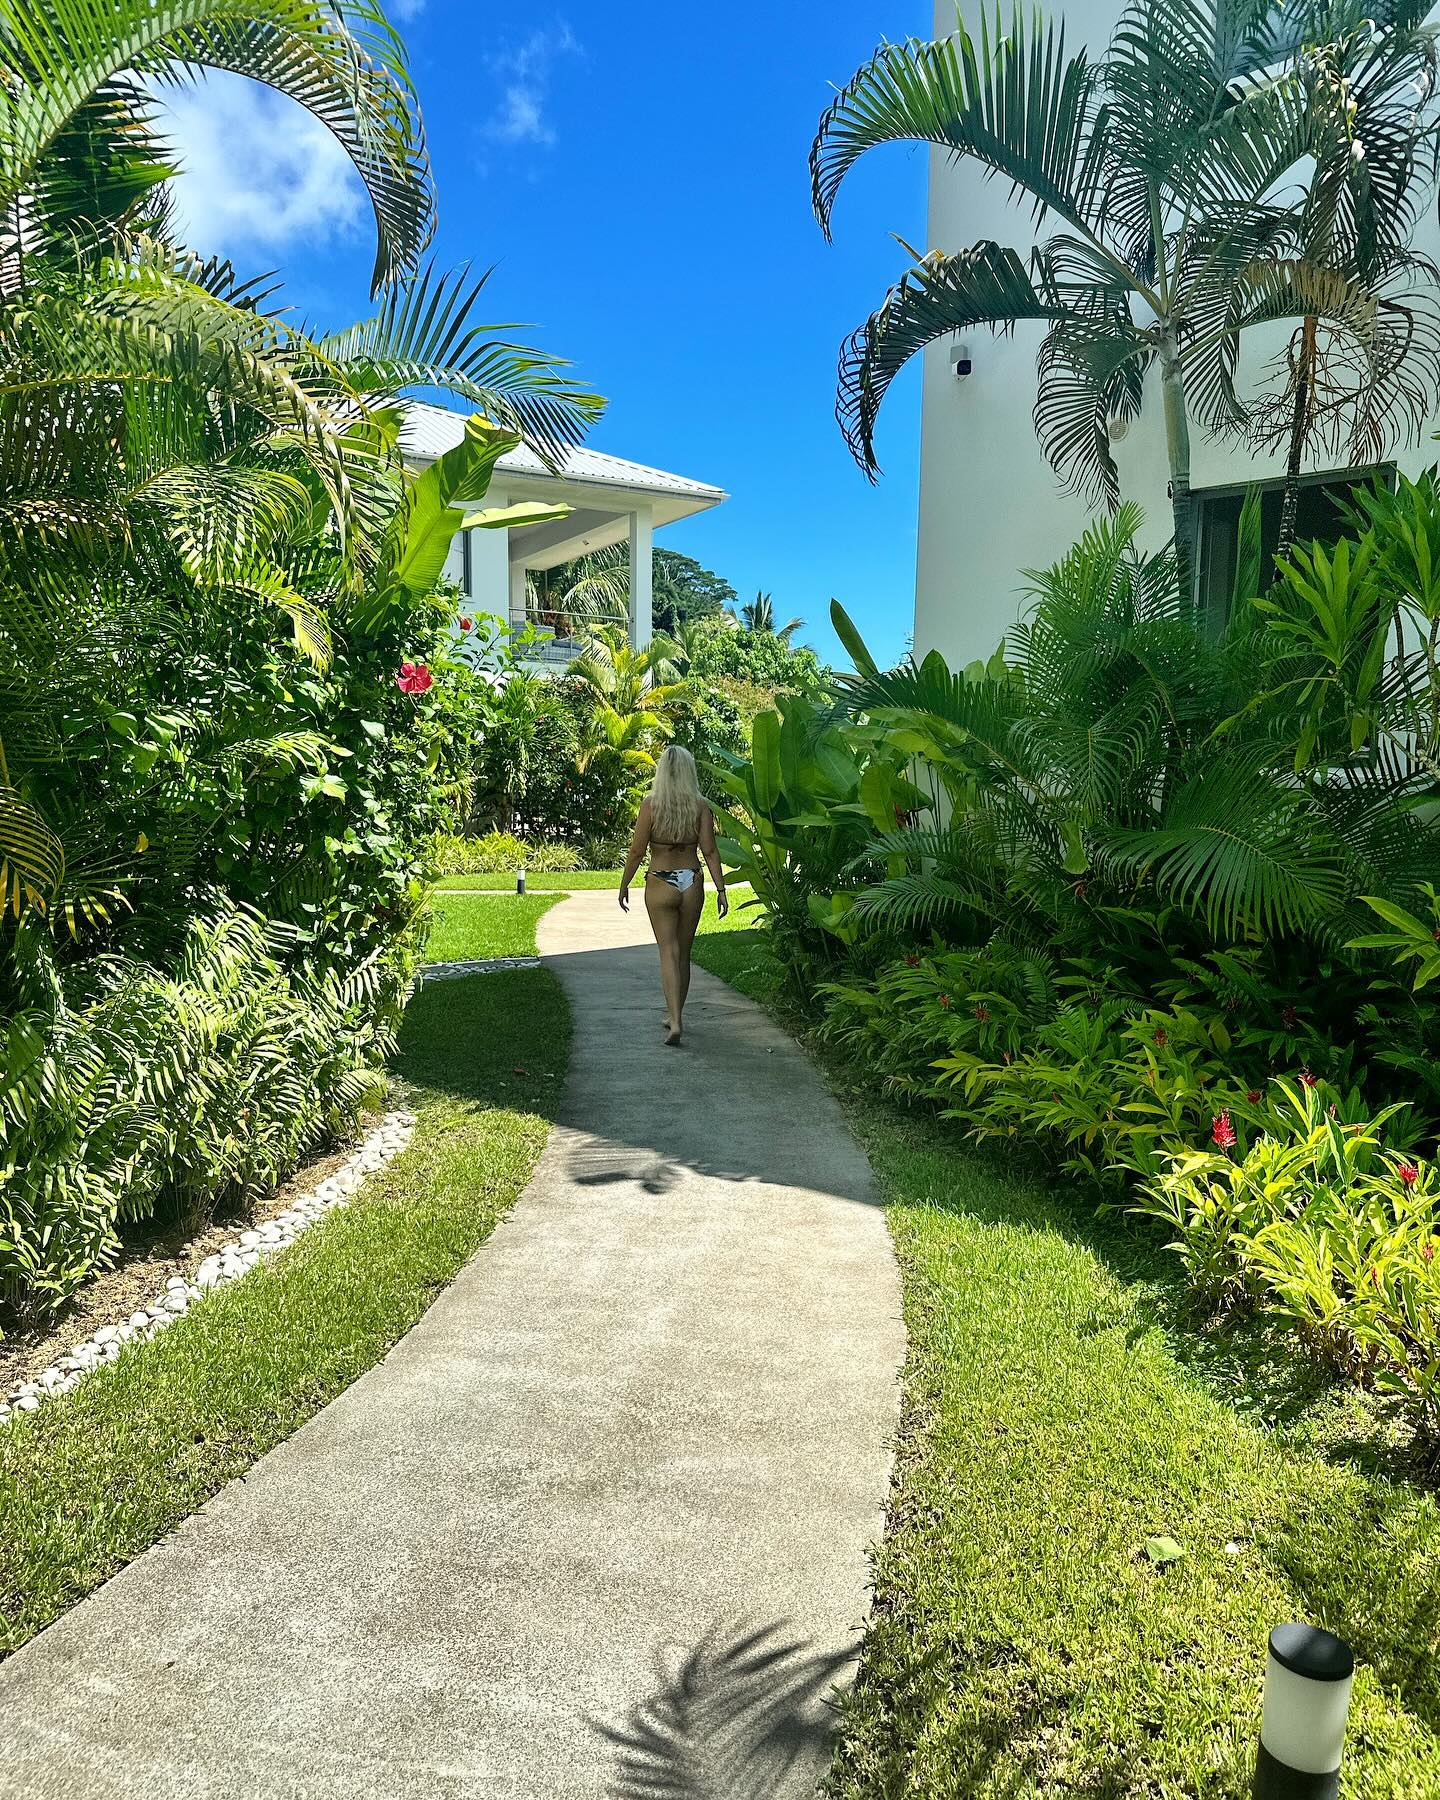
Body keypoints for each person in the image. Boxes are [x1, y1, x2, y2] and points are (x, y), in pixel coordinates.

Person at [619, 744, 728, 1045]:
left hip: (660, 879)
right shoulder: (700, 806)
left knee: (668, 951)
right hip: (691, 879)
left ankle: (675, 1020)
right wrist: (720, 889)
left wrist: (625, 883)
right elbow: (710, 851)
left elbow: (637, 851)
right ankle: (676, 1015)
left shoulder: (651, 805)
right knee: (684, 952)